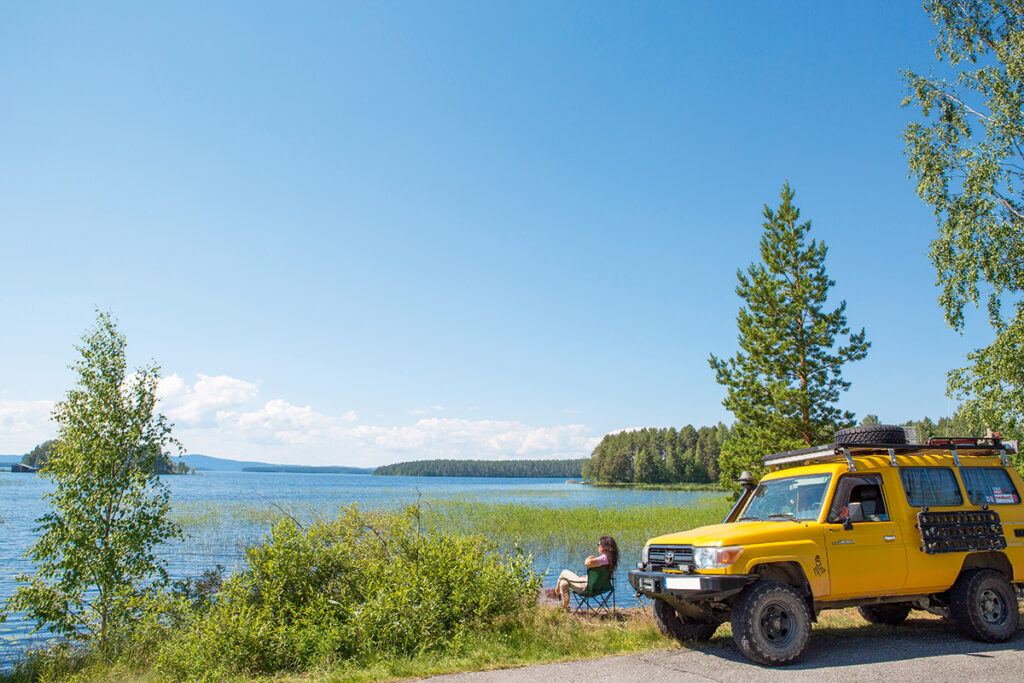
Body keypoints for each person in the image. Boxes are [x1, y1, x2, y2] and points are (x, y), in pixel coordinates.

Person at [545, 536, 619, 610]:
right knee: (563, 583)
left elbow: (587, 563)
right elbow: (606, 577)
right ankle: (565, 607)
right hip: (600, 588)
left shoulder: (603, 558)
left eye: (598, 545)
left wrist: (589, 558)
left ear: (604, 546)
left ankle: (556, 592)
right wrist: (587, 578)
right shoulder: (611, 560)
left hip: (586, 589)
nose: (598, 546)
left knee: (564, 572)